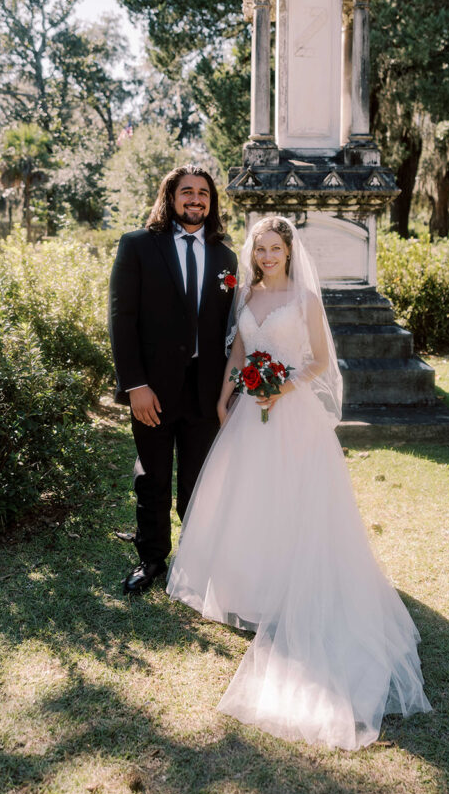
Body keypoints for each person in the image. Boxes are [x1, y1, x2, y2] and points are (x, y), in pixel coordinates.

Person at [167, 216, 432, 750]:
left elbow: (321, 361)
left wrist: (281, 387)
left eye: (274, 248)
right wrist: (225, 396)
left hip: (293, 414)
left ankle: (294, 587)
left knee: (295, 501)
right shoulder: (244, 296)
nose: (266, 256)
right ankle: (252, 589)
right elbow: (239, 352)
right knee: (249, 502)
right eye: (259, 248)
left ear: (289, 251)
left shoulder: (306, 299)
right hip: (248, 413)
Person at [108, 165, 237, 595]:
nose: (196, 200)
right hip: (153, 390)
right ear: (171, 197)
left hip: (206, 390)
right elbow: (121, 320)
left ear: (211, 201)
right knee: (153, 476)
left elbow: (231, 326)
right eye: (187, 192)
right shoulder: (138, 246)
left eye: (203, 193)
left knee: (199, 479)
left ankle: (196, 557)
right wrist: (134, 385)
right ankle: (151, 559)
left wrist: (231, 389)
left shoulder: (226, 256)